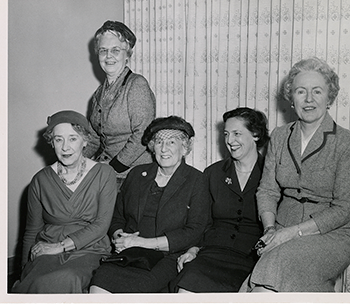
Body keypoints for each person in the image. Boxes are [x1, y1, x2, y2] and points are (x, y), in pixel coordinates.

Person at [239, 57, 350, 293]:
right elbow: (267, 190)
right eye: (300, 91)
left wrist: (290, 234)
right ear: (291, 98)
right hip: (280, 227)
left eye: (317, 91)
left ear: (329, 98)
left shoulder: (349, 143)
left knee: (267, 278)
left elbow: (344, 208)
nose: (308, 99)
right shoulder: (279, 136)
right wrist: (269, 229)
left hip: (331, 234)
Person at [89, 115, 211, 293]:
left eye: (171, 142)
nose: (164, 149)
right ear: (152, 147)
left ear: (184, 148)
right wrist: (120, 237)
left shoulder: (196, 180)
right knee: (98, 286)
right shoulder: (137, 174)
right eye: (159, 142)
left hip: (167, 256)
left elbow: (195, 230)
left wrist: (142, 242)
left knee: (135, 292)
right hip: (128, 253)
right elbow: (118, 216)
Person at [12, 110, 117, 293]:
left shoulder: (104, 174)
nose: (65, 147)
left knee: (68, 278)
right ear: (52, 142)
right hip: (46, 248)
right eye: (59, 139)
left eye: (73, 139)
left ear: (85, 141)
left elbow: (101, 225)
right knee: (33, 281)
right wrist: (24, 269)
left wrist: (60, 247)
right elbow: (32, 231)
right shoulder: (40, 180)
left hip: (90, 249)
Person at [168, 107, 270, 293]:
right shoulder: (213, 173)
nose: (230, 141)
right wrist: (193, 249)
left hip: (253, 259)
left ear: (255, 134)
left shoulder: (272, 174)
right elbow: (202, 221)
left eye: (237, 133)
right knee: (185, 290)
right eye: (226, 134)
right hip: (212, 253)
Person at [84, 20, 156, 190]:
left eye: (116, 50)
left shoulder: (136, 85)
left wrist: (112, 167)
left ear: (128, 54)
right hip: (108, 172)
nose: (109, 56)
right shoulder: (98, 94)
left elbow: (143, 134)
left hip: (132, 176)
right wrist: (76, 161)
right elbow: (94, 137)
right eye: (103, 51)